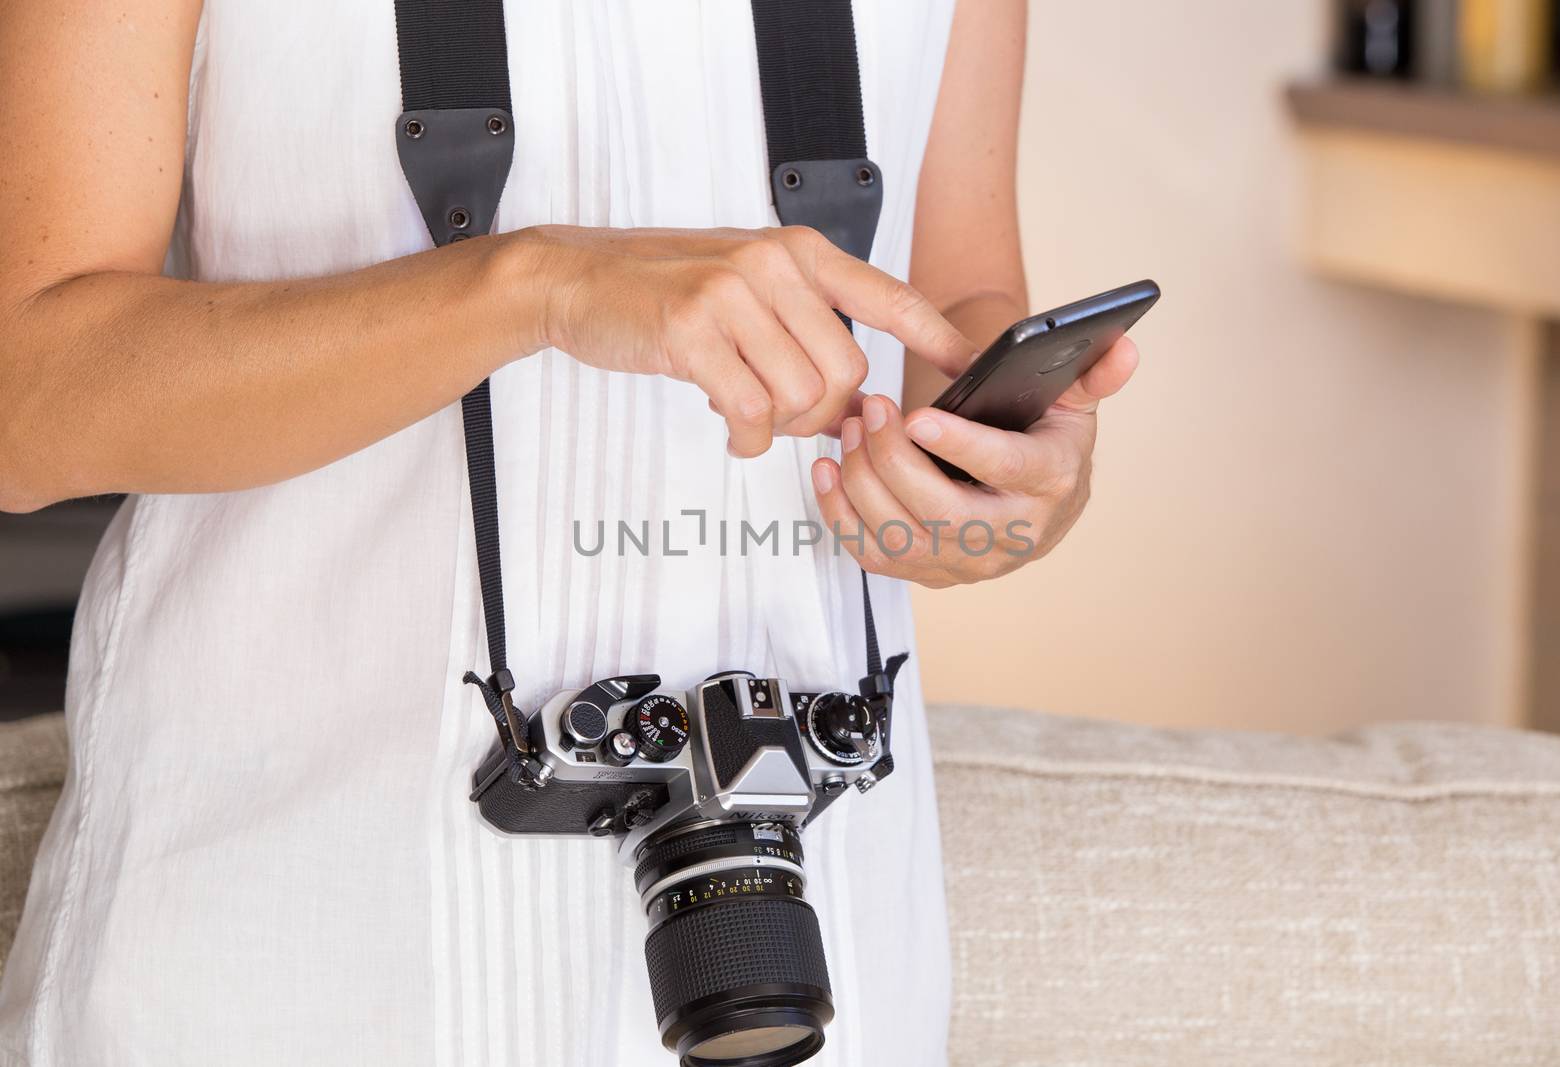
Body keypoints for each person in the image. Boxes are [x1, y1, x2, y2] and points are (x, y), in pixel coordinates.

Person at [0, 0, 1138, 1063]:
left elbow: (960, 298)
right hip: (296, 943)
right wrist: (532, 285)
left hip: (815, 947)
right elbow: (28, 399)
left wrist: (1004, 488)